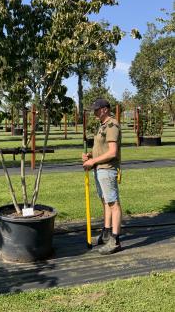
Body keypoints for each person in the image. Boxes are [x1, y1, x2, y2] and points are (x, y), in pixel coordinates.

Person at [82, 98, 122, 255]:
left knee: (113, 203)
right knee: (105, 201)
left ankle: (115, 240)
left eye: (97, 110)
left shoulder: (112, 125)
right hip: (99, 168)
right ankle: (106, 233)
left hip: (107, 169)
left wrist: (92, 161)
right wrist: (90, 155)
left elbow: (112, 152)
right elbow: (102, 148)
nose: (95, 112)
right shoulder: (103, 126)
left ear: (105, 109)